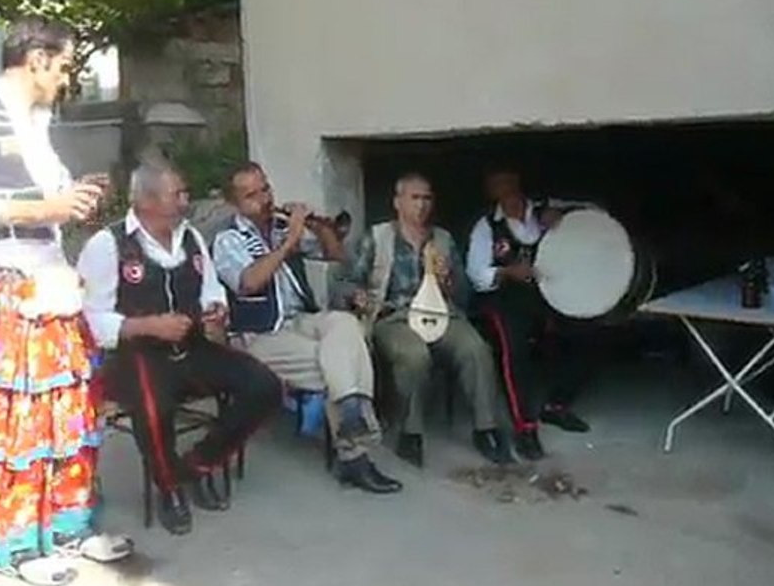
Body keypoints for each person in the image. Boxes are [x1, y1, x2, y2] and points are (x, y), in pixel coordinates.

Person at [0, 16, 131, 586]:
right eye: (65, 66)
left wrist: (75, 200)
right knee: (12, 425)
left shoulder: (38, 123)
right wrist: (48, 209)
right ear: (37, 59)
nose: (67, 79)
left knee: (68, 415)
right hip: (1, 291)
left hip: (51, 285)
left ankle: (68, 526)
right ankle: (18, 545)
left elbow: (49, 205)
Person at [77, 159, 283, 535]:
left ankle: (197, 464)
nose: (186, 201)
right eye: (178, 194)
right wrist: (147, 325)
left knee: (264, 386)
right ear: (147, 201)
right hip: (135, 355)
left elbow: (210, 290)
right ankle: (168, 487)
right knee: (153, 403)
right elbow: (90, 318)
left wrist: (214, 309)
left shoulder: (191, 237)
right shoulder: (108, 245)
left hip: (190, 348)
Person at [212, 161, 402, 494]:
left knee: (345, 324)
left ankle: (351, 413)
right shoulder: (228, 240)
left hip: (301, 318)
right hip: (260, 333)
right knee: (336, 361)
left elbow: (336, 254)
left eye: (265, 189)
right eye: (251, 195)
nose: (264, 199)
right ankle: (355, 454)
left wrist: (320, 226)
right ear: (235, 203)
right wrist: (289, 243)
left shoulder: (282, 226)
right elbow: (248, 282)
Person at [347, 172, 513, 468]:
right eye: (414, 198)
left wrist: (447, 278)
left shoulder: (443, 239)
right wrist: (358, 296)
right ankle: (410, 433)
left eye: (427, 198)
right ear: (398, 202)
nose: (421, 205)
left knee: (475, 349)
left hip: (440, 313)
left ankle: (485, 428)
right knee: (414, 355)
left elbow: (463, 294)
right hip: (394, 316)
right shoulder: (378, 236)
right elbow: (349, 281)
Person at [466, 166, 589, 461]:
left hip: (548, 293)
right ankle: (525, 428)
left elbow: (595, 212)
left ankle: (556, 405)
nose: (504, 191)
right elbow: (476, 273)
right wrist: (507, 272)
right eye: (496, 185)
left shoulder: (545, 212)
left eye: (508, 183)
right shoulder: (486, 227)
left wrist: (566, 216)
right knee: (514, 350)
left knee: (586, 330)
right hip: (504, 300)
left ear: (518, 182)